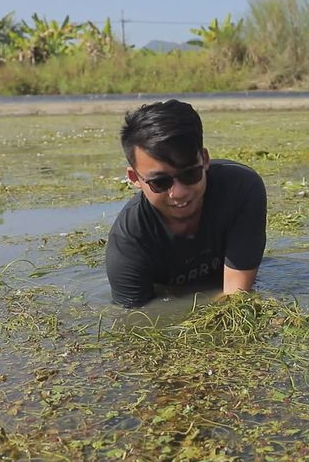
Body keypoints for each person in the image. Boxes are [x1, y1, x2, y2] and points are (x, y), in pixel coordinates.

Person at [105, 99, 267, 307]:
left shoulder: (241, 189)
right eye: (160, 182)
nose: (179, 193)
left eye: (190, 173)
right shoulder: (129, 241)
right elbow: (136, 319)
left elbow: (236, 298)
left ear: (205, 159)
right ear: (135, 178)